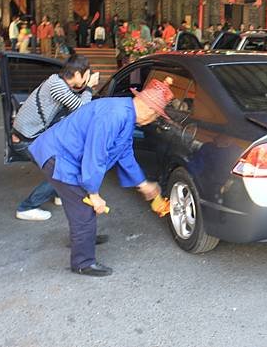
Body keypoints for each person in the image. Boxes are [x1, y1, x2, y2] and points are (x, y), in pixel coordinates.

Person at [28, 78, 173, 276]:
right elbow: (95, 155)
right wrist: (93, 192)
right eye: (156, 115)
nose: (154, 119)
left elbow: (124, 153)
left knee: (79, 205)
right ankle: (83, 262)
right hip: (58, 156)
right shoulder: (114, 116)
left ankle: (82, 238)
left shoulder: (126, 114)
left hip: (64, 153)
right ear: (149, 109)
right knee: (85, 207)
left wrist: (143, 183)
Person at [12, 55, 98, 221]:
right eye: (86, 74)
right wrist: (89, 88)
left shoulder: (58, 82)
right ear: (78, 75)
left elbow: (73, 99)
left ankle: (59, 192)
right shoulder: (57, 86)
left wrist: (84, 87)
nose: (88, 77)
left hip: (31, 136)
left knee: (64, 162)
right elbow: (81, 108)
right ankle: (27, 207)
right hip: (25, 142)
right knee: (62, 173)